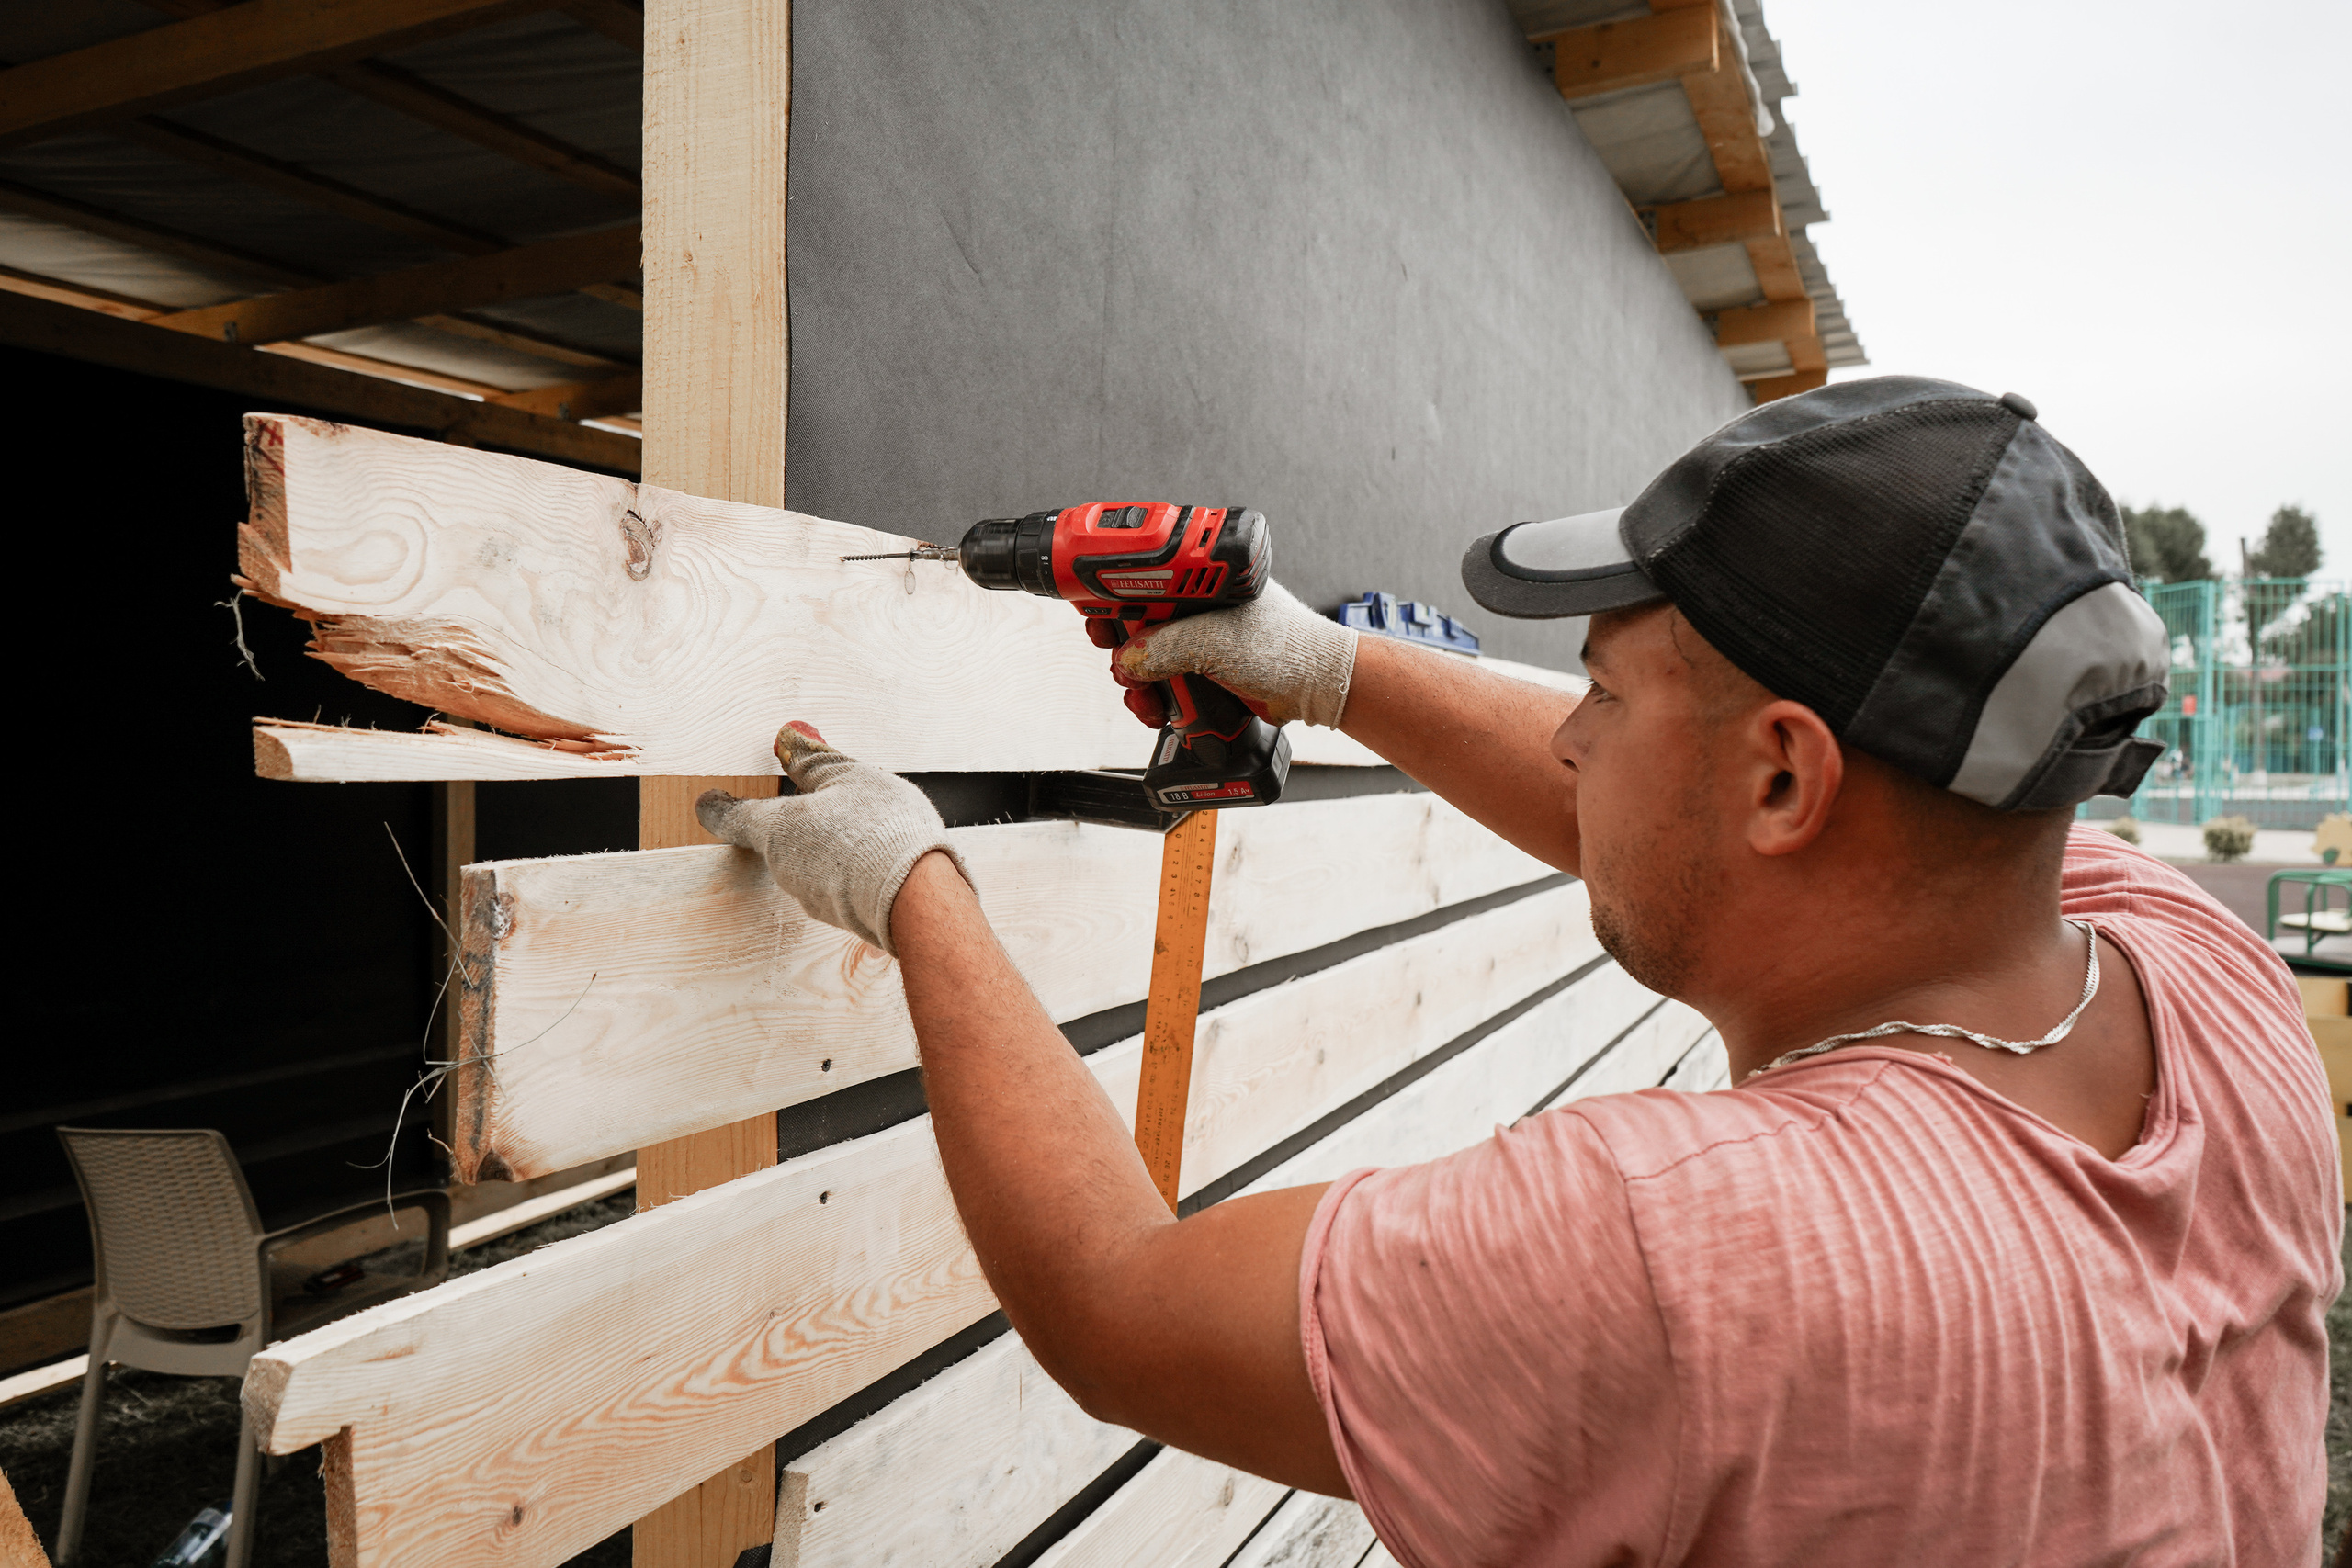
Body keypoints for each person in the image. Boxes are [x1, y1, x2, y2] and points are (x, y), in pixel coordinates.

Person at [696, 377, 2340, 1564]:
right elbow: (1711, 833)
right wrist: (1325, 666)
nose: (1566, 736)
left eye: (1604, 694)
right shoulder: (2205, 973)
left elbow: (1122, 1311)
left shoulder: (1704, 1253)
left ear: (1785, 776)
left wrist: (912, 886)